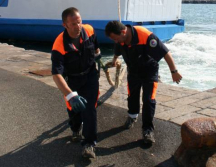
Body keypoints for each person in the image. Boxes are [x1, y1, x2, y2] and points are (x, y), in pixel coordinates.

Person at [105, 21, 182, 144]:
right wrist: (114, 60)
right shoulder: (120, 39)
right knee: (132, 96)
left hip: (149, 72)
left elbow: (165, 52)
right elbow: (117, 49)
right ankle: (132, 116)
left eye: (115, 38)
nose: (115, 41)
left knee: (148, 100)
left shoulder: (145, 36)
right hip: (133, 72)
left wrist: (174, 71)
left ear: (123, 32)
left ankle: (148, 130)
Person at [51, 7, 101, 158]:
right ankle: (75, 127)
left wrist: (98, 55)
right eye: (73, 24)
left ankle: (89, 144)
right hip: (71, 80)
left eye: (79, 22)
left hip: (90, 76)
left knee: (90, 109)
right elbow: (56, 74)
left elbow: (96, 46)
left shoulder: (89, 30)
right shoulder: (59, 44)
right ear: (64, 25)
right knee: (74, 109)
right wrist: (70, 95)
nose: (77, 26)